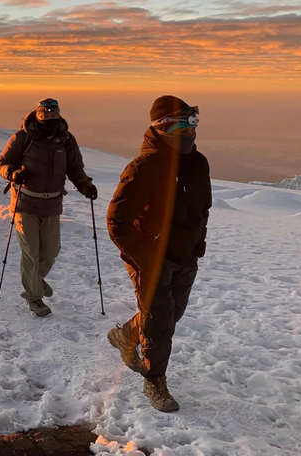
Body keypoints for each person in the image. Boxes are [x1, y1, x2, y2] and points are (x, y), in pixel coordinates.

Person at [106, 95, 211, 413]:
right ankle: (154, 380)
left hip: (185, 255)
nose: (191, 132)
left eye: (194, 124)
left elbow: (201, 208)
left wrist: (198, 244)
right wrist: (145, 257)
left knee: (170, 314)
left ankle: (126, 334)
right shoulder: (144, 166)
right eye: (185, 124)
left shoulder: (198, 163)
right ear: (165, 127)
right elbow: (117, 221)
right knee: (160, 321)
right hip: (151, 257)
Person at [0, 98, 97, 317]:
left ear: (59, 115)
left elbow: (75, 168)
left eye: (54, 116)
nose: (50, 120)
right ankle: (34, 297)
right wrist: (13, 173)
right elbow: (3, 163)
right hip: (26, 203)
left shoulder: (66, 140)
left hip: (52, 204)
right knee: (31, 253)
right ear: (38, 115)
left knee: (50, 253)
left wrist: (84, 185)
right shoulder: (22, 138)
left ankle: (36, 280)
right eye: (45, 116)